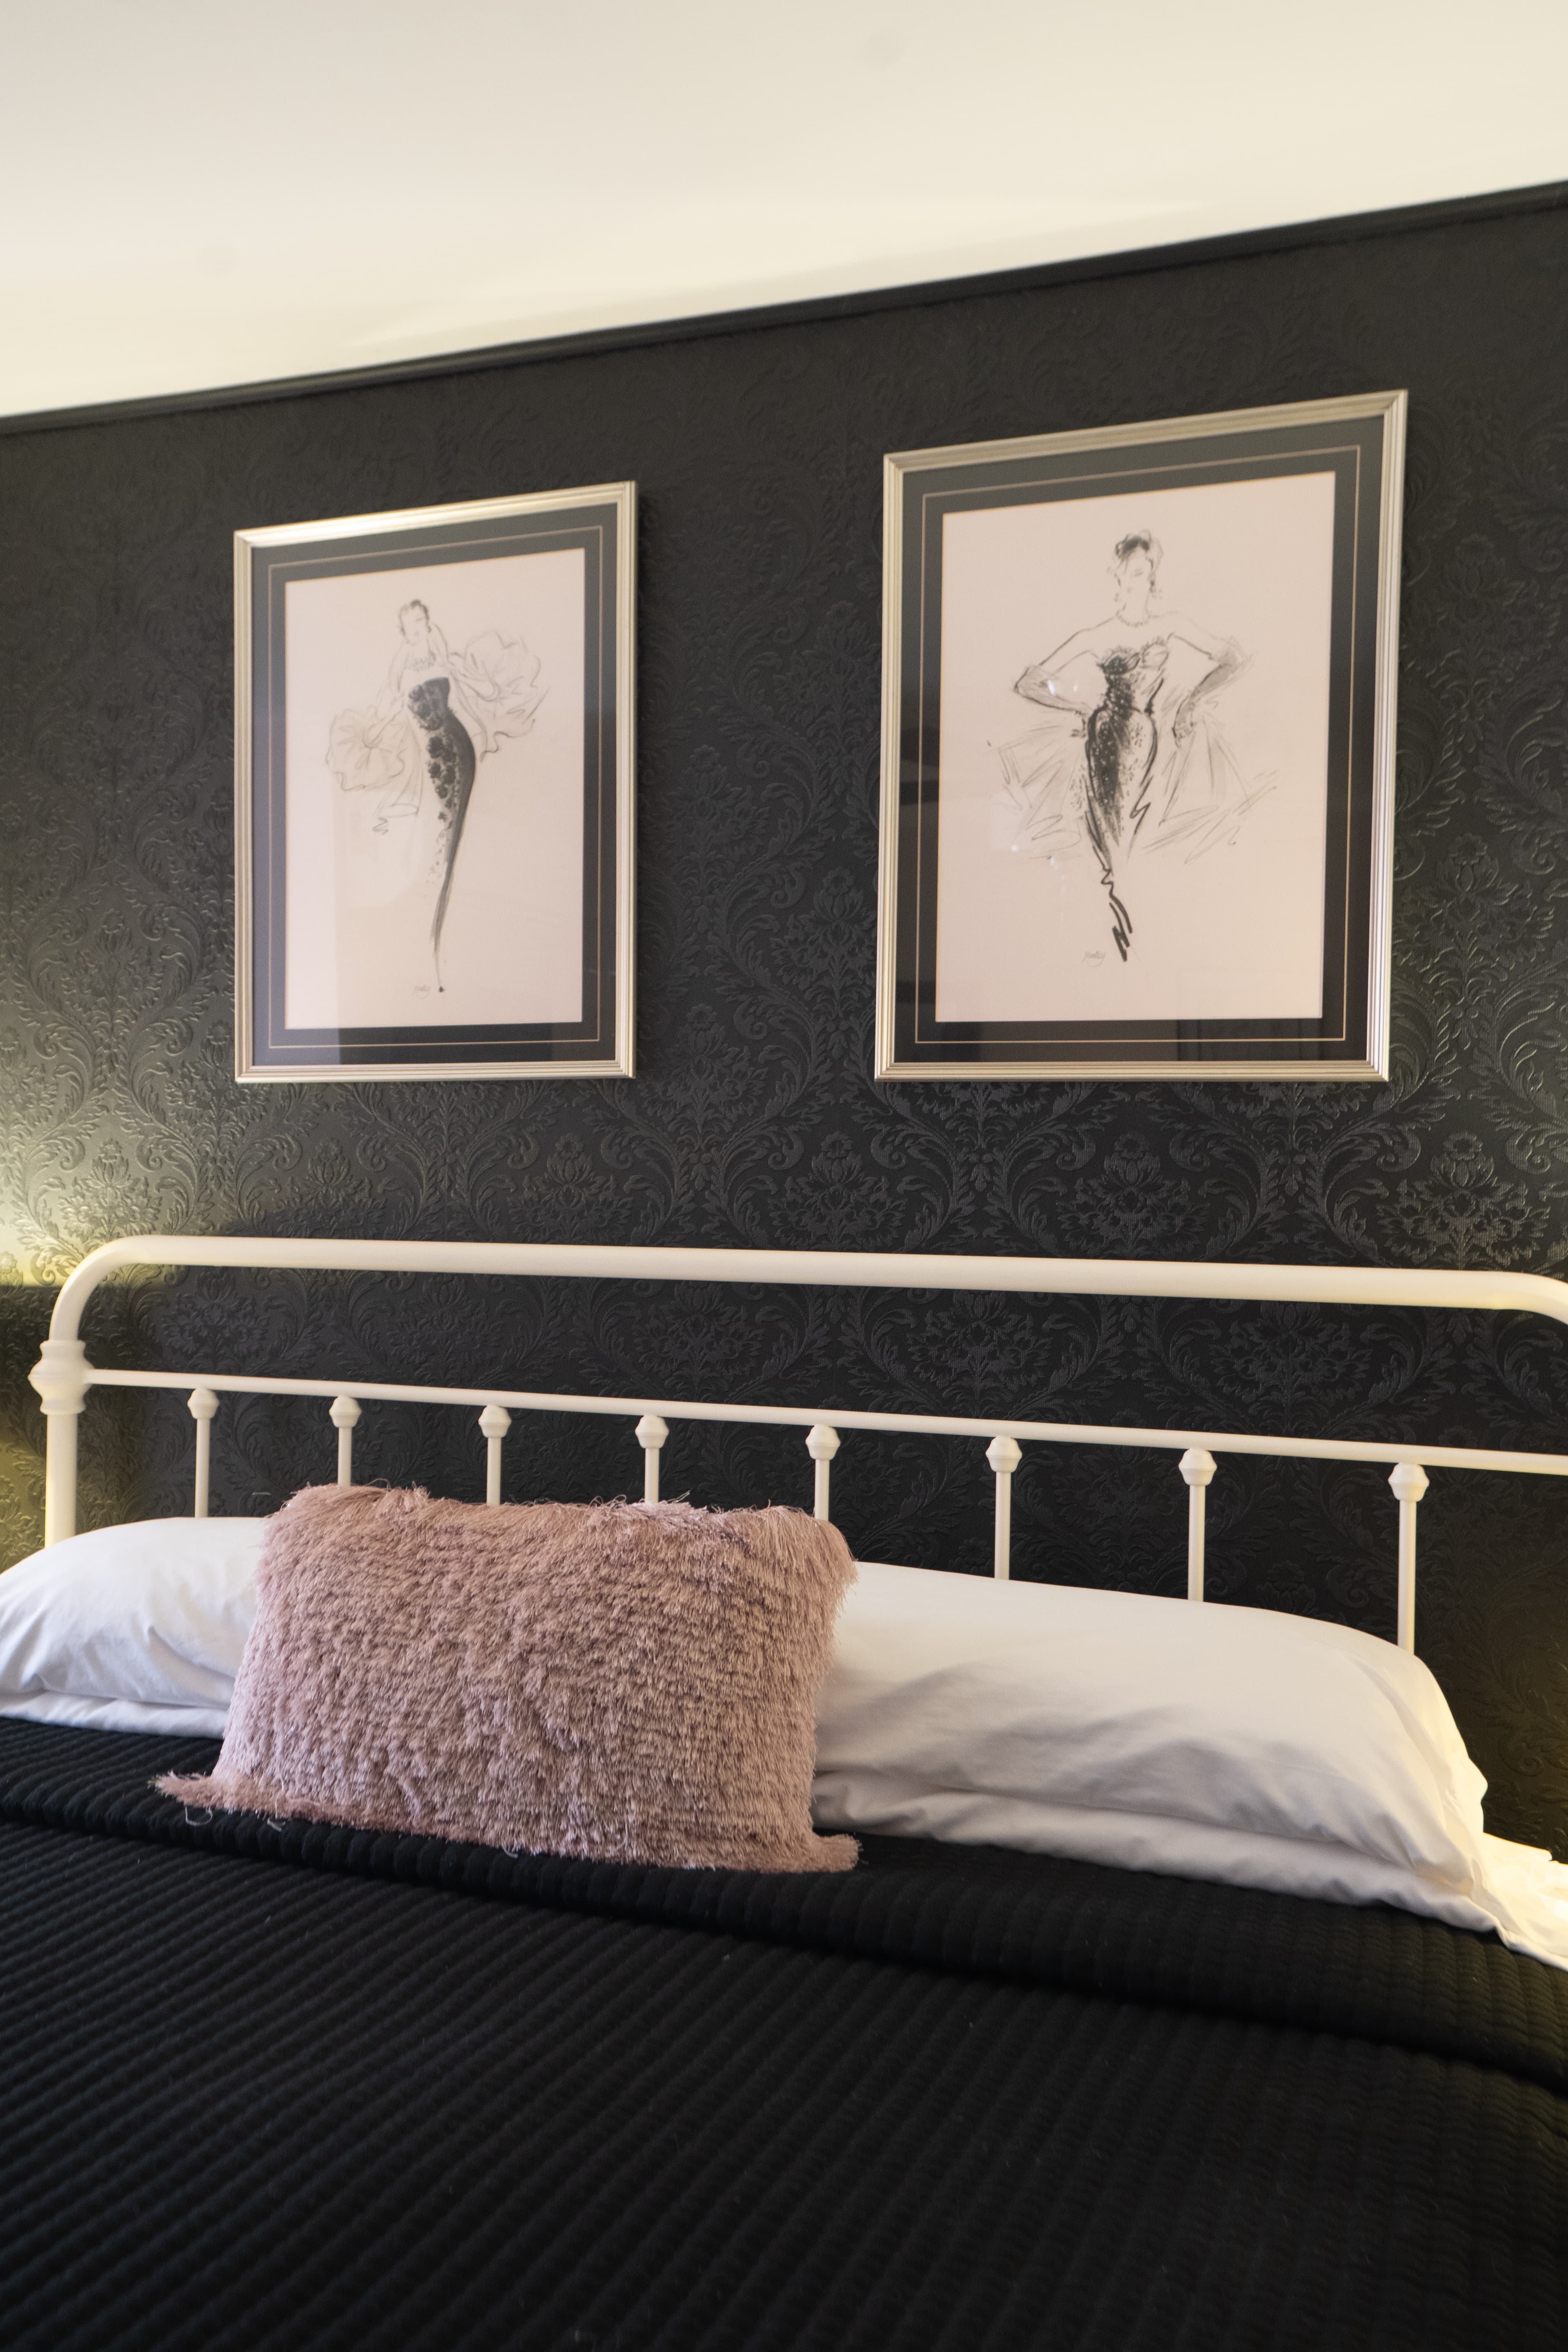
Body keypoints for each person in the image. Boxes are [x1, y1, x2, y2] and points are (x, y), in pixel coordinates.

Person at [1001, 532, 1248, 960]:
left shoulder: (1170, 624)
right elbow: (1027, 683)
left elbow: (1234, 658)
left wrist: (1192, 701)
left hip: (1149, 740)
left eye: (1150, 571)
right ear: (1119, 574)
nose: (1145, 579)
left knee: (1142, 837)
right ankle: (1117, 937)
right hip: (1106, 741)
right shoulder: (1098, 634)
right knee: (1114, 839)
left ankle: (1137, 940)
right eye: (1136, 570)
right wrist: (1077, 707)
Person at [327, 599, 545, 987]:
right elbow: (389, 701)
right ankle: (423, 954)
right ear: (403, 630)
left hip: (456, 744)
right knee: (434, 843)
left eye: (423, 622)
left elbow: (458, 693)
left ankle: (435, 953)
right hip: (428, 754)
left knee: (452, 840)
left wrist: (484, 715)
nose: (420, 630)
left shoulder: (441, 650)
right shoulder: (400, 662)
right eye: (413, 625)